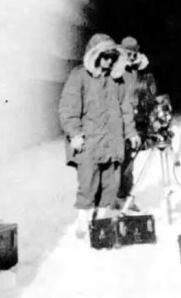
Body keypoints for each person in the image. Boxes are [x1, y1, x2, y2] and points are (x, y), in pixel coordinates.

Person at [58, 33, 140, 238]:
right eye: (104, 56)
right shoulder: (79, 76)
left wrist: (130, 132)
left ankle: (102, 223)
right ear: (94, 56)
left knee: (111, 185)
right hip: (89, 143)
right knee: (88, 185)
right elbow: (68, 109)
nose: (108, 60)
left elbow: (125, 108)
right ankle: (83, 222)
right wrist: (75, 134)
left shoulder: (118, 80)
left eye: (112, 56)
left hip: (113, 142)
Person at [114, 36, 155, 209]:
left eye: (133, 54)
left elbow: (148, 96)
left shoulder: (142, 73)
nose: (130, 57)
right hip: (117, 122)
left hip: (135, 122)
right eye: (127, 53)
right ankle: (114, 196)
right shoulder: (115, 72)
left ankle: (125, 197)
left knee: (129, 162)